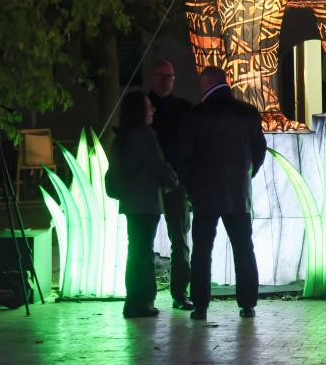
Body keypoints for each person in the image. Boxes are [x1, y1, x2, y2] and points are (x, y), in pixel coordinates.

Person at [178, 66, 267, 320]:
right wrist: (246, 175)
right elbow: (259, 150)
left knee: (202, 249)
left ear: (206, 84)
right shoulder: (247, 113)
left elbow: (185, 157)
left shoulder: (196, 115)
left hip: (204, 194)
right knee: (243, 248)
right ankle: (248, 303)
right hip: (238, 193)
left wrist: (191, 188)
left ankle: (201, 305)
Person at [111, 91, 176, 318]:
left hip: (130, 201)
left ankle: (133, 299)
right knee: (143, 251)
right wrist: (173, 182)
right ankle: (143, 300)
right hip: (146, 200)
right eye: (149, 106)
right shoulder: (144, 134)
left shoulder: (123, 135)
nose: (153, 110)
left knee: (135, 249)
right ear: (140, 110)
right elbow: (157, 165)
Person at [146, 59, 194, 311]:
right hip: (156, 183)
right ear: (153, 78)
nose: (166, 80)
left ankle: (179, 293)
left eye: (169, 76)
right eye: (161, 76)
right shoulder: (145, 106)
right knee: (149, 243)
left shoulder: (182, 109)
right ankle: (154, 295)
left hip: (174, 183)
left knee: (179, 240)